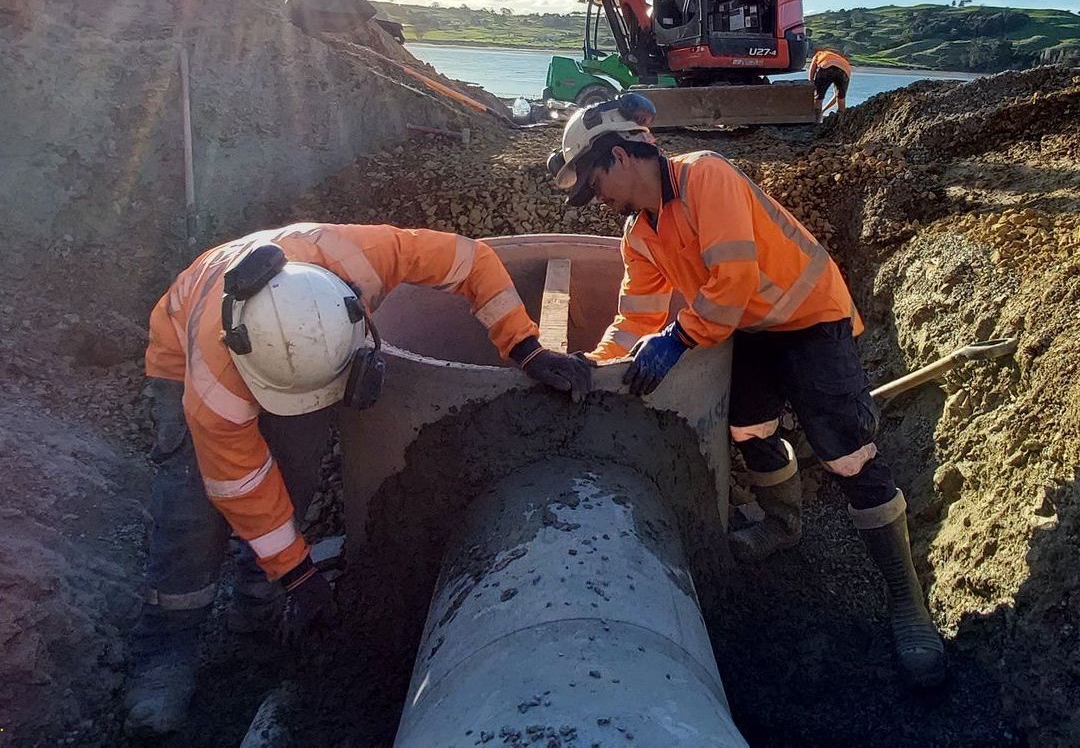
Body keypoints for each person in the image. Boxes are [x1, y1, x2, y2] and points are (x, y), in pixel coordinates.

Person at [126, 222, 590, 736]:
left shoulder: (361, 256)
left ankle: (256, 612)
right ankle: (165, 654)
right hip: (186, 357)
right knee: (192, 512)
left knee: (295, 480)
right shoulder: (215, 388)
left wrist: (523, 346)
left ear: (355, 309)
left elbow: (473, 260)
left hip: (293, 350)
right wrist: (302, 575)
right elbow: (240, 486)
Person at [547, 94, 945, 689]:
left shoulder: (708, 176)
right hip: (754, 327)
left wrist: (676, 339)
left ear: (623, 155)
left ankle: (905, 600)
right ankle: (785, 527)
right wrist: (595, 365)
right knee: (749, 429)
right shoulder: (641, 235)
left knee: (846, 451)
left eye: (595, 181)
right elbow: (633, 319)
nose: (596, 199)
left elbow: (731, 282)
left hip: (810, 317)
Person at [808, 47, 852, 116]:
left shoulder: (819, 54)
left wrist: (811, 81)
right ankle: (841, 117)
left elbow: (812, 68)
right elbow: (836, 97)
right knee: (841, 98)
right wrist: (824, 110)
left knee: (819, 98)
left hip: (826, 66)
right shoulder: (842, 61)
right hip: (844, 71)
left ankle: (816, 119)